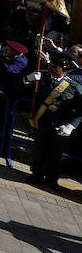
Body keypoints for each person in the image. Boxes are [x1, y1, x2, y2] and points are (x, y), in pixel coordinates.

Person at [22, 53, 81, 188]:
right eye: (51, 64)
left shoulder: (74, 86)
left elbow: (80, 108)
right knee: (39, 151)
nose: (51, 67)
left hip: (60, 126)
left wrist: (71, 126)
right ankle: (36, 175)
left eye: (56, 67)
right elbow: (18, 87)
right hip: (42, 122)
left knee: (56, 155)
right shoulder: (41, 77)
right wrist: (27, 79)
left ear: (65, 70)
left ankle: (52, 179)